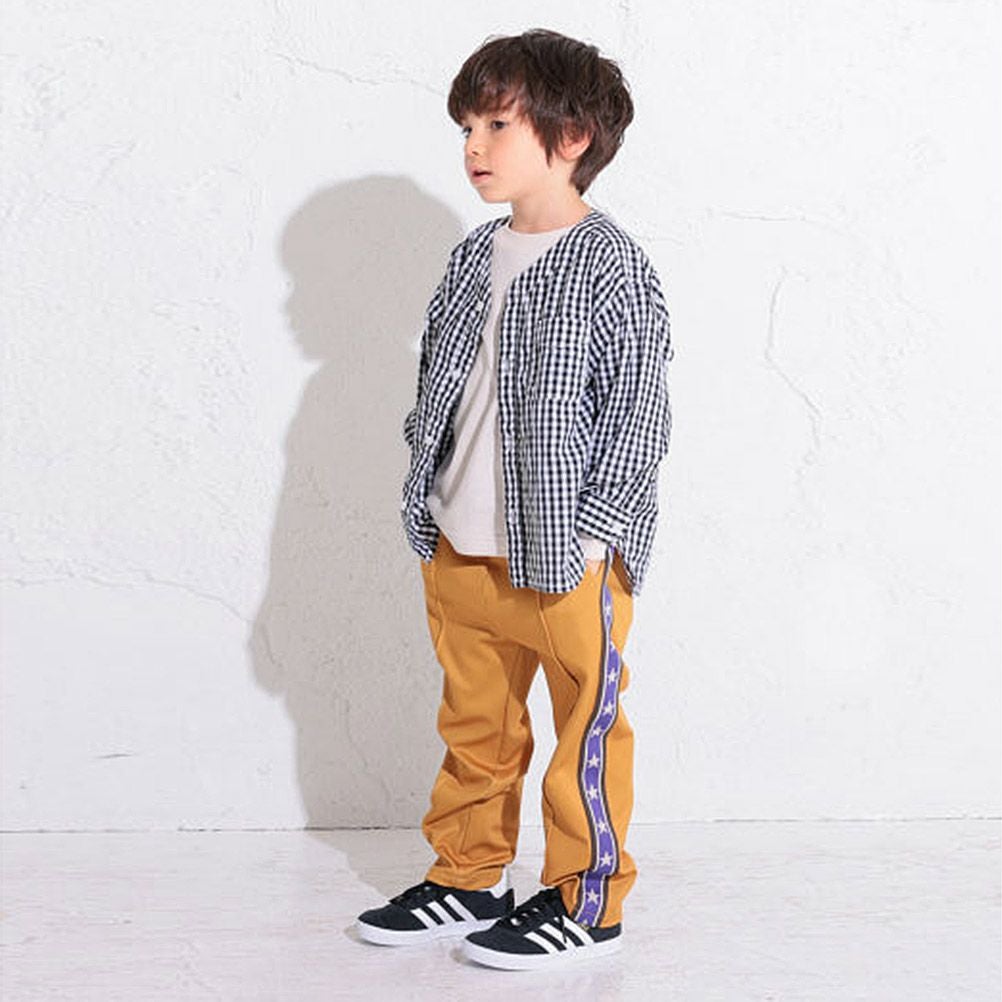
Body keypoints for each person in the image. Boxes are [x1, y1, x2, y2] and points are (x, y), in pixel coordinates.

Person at [356, 27, 673, 970]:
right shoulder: (472, 257)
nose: (474, 147)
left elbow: (639, 416)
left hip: (566, 556)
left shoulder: (612, 265)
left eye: (497, 125)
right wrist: (425, 490)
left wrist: (597, 534)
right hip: (461, 544)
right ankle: (467, 876)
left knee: (585, 733)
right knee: (476, 727)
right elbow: (440, 385)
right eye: (467, 128)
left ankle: (585, 900)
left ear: (572, 137)